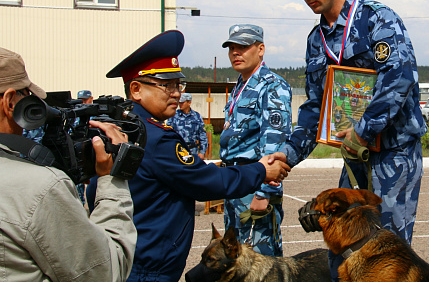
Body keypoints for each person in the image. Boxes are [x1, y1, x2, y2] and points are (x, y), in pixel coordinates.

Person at [86, 29, 291, 282]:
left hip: (127, 254)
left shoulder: (121, 129)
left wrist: (265, 189)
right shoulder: (156, 137)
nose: (176, 93)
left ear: (260, 49)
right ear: (136, 90)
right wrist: (261, 172)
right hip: (148, 266)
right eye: (167, 85)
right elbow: (204, 181)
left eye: (177, 85)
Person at [281, 0, 427, 280]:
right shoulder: (317, 41)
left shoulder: (377, 19)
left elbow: (399, 79)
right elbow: (315, 107)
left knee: (386, 255)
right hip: (354, 158)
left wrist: (362, 131)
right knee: (343, 251)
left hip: (393, 154)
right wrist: (287, 155)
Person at [0, 47, 136, 281]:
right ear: (11, 102)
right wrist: (112, 179)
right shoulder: (39, 189)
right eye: (26, 96)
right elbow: (105, 273)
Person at [220, 24, 292, 257]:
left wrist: (264, 192)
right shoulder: (241, 85)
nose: (235, 52)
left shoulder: (272, 85)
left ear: (260, 49)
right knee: (236, 260)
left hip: (255, 184)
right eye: (231, 47)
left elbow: (275, 143)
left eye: (243, 47)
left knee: (260, 260)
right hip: (235, 182)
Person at [167, 92, 209, 159]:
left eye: (182, 102)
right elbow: (168, 133)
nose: (180, 104)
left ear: (189, 103)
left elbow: (202, 135)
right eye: (179, 102)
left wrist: (202, 152)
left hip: (192, 151)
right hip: (177, 151)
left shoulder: (196, 116)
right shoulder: (173, 115)